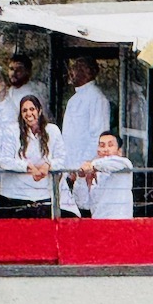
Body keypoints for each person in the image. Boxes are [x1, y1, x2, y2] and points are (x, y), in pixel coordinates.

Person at [0, 95, 72, 217]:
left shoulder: (52, 130)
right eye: (24, 110)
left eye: (32, 109)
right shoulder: (11, 131)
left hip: (44, 195)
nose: (28, 113)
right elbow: (4, 160)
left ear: (39, 110)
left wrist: (48, 165)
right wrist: (28, 167)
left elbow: (62, 159)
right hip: (16, 195)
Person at [61, 55, 111, 215]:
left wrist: (83, 166)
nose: (71, 72)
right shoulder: (74, 99)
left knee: (85, 212)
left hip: (84, 171)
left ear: (88, 72)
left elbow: (98, 136)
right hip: (69, 170)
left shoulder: (97, 98)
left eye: (75, 68)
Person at [75, 131, 135, 220]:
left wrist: (91, 165)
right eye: (102, 146)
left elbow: (110, 163)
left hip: (121, 221)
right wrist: (81, 177)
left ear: (119, 151)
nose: (106, 149)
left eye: (110, 145)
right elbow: (83, 204)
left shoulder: (124, 163)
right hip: (98, 223)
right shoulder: (94, 172)